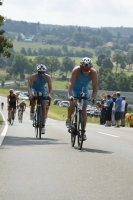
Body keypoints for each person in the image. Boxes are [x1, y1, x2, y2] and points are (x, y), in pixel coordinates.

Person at [66, 57, 98, 141]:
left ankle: (83, 132)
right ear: (81, 66)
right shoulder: (76, 70)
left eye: (88, 68)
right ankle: (68, 119)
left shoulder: (93, 73)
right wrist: (71, 95)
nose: (86, 70)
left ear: (91, 67)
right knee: (73, 103)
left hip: (84, 90)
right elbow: (70, 83)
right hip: (74, 89)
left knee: (84, 109)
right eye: (84, 68)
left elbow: (95, 87)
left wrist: (93, 97)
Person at [28, 64, 52, 134]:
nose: (41, 74)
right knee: (33, 98)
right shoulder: (33, 76)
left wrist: (49, 95)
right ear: (37, 71)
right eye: (40, 72)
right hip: (34, 89)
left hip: (42, 90)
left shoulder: (47, 77)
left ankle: (43, 126)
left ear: (45, 72)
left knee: (44, 107)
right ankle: (32, 112)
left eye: (43, 72)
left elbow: (50, 88)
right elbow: (29, 86)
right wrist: (30, 94)